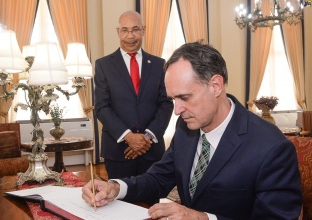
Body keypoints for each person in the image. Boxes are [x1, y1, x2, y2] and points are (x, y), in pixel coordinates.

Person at [84, 42, 302, 219]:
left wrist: (203, 219)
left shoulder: (271, 147)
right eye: (173, 99)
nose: (177, 111)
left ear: (216, 86)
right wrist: (114, 187)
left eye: (184, 97)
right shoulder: (187, 126)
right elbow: (159, 179)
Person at [94, 10, 174, 179]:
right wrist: (128, 136)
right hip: (118, 152)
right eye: (125, 30)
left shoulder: (159, 64)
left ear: (143, 30)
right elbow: (102, 107)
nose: (130, 36)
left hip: (151, 151)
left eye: (135, 29)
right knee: (118, 202)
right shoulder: (104, 65)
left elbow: (166, 104)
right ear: (118, 32)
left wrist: (147, 138)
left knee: (151, 204)